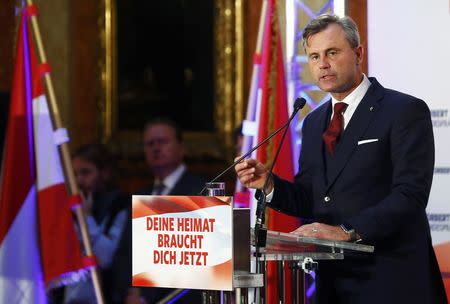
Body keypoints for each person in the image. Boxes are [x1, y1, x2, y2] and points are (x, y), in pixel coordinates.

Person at [235, 14, 447, 304]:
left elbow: (410, 196)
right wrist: (269, 184)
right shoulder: (313, 123)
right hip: (333, 285)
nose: (322, 64)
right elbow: (312, 198)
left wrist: (346, 231)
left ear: (358, 53)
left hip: (391, 281)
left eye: (332, 52)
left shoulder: (403, 111)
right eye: (314, 56)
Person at [111, 117, 205, 304]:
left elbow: (195, 261)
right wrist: (131, 292)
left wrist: (146, 296)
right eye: (150, 143)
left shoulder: (200, 191)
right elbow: (124, 254)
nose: (155, 148)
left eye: (162, 142)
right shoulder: (141, 195)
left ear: (181, 147)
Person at [63, 144, 129, 304]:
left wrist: (86, 219)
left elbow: (107, 258)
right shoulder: (69, 207)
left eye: (85, 173)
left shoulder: (120, 206)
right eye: (75, 174)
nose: (78, 181)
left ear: (104, 173)